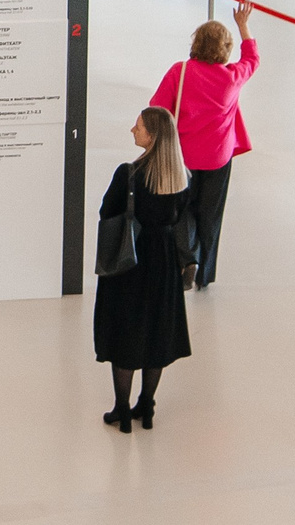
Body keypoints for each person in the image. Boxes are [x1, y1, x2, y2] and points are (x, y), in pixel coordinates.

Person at [93, 107, 194, 431]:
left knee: (126, 331)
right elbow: (182, 220)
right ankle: (146, 407)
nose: (132, 130)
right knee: (155, 331)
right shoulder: (182, 177)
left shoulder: (129, 175)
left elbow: (107, 210)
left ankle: (121, 411)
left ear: (151, 136)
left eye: (137, 127)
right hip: (164, 262)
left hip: (130, 261)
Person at [152, 5, 257, 288]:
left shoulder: (180, 71)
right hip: (218, 158)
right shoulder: (232, 77)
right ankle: (205, 274)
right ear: (225, 49)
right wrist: (243, 25)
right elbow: (253, 59)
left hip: (183, 155)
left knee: (181, 208)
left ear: (195, 43)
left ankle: (188, 259)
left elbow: (157, 108)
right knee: (211, 214)